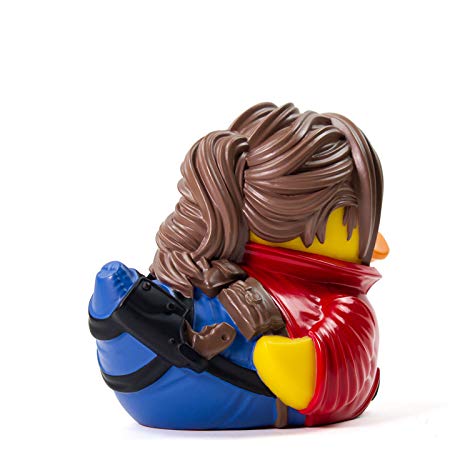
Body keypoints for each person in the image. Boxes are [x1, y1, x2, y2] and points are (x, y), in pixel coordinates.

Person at [89, 102, 388, 429]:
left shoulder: (338, 306)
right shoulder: (211, 269)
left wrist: (301, 364)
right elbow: (323, 380)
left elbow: (336, 375)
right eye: (357, 221)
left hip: (159, 382)